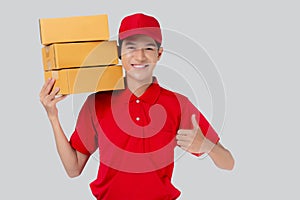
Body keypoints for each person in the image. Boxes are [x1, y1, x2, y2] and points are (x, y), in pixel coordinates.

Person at [40, 12, 234, 200]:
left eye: (148, 48)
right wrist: (53, 117)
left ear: (159, 54)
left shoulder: (178, 104)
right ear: (118, 53)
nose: (139, 57)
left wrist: (207, 146)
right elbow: (73, 169)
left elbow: (228, 163)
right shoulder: (96, 103)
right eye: (131, 47)